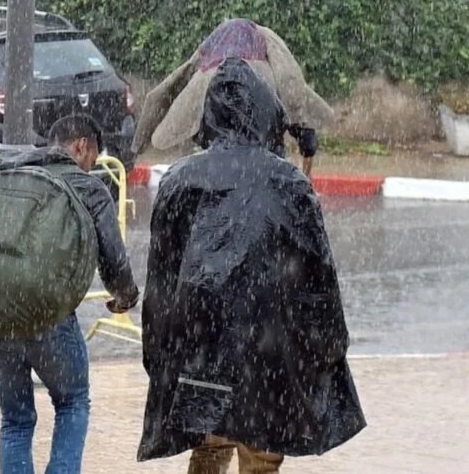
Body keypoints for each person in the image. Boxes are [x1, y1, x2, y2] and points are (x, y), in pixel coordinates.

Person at [138, 57, 366, 473]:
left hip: (200, 353)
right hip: (269, 357)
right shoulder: (290, 185)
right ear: (266, 115)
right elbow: (319, 282)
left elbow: (162, 283)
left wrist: (157, 353)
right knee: (261, 456)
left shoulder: (179, 181)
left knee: (207, 447)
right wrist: (329, 346)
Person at [0, 114, 140, 474]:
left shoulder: (3, 179)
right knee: (73, 403)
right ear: (81, 146)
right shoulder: (88, 188)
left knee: (16, 421)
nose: (90, 168)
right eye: (91, 159)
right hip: (50, 320)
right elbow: (114, 261)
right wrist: (126, 299)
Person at [131, 18, 330, 177]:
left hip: (218, 163)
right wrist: (305, 175)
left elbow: (166, 90)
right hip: (265, 162)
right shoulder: (271, 59)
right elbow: (294, 94)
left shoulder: (210, 56)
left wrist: (137, 147)